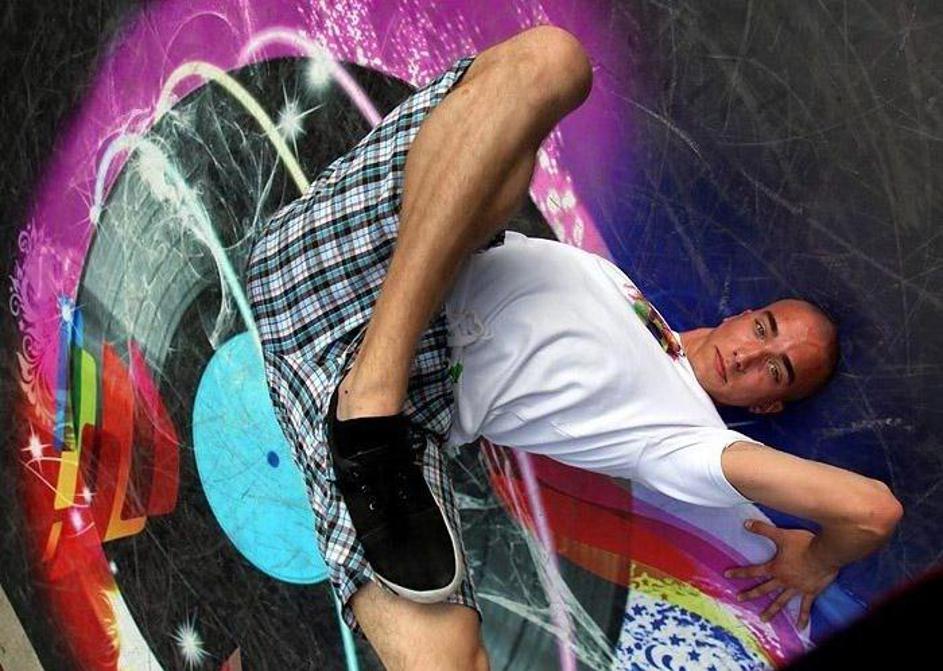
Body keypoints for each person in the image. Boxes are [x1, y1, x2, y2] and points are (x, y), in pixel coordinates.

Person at [246, 26, 903, 670]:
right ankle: (373, 385)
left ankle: (372, 393)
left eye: (775, 371)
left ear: (767, 406)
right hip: (353, 267)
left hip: (380, 429)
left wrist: (816, 560)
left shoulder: (686, 436)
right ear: (741, 315)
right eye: (763, 330)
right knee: (553, 62)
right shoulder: (620, 288)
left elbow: (870, 511)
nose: (750, 356)